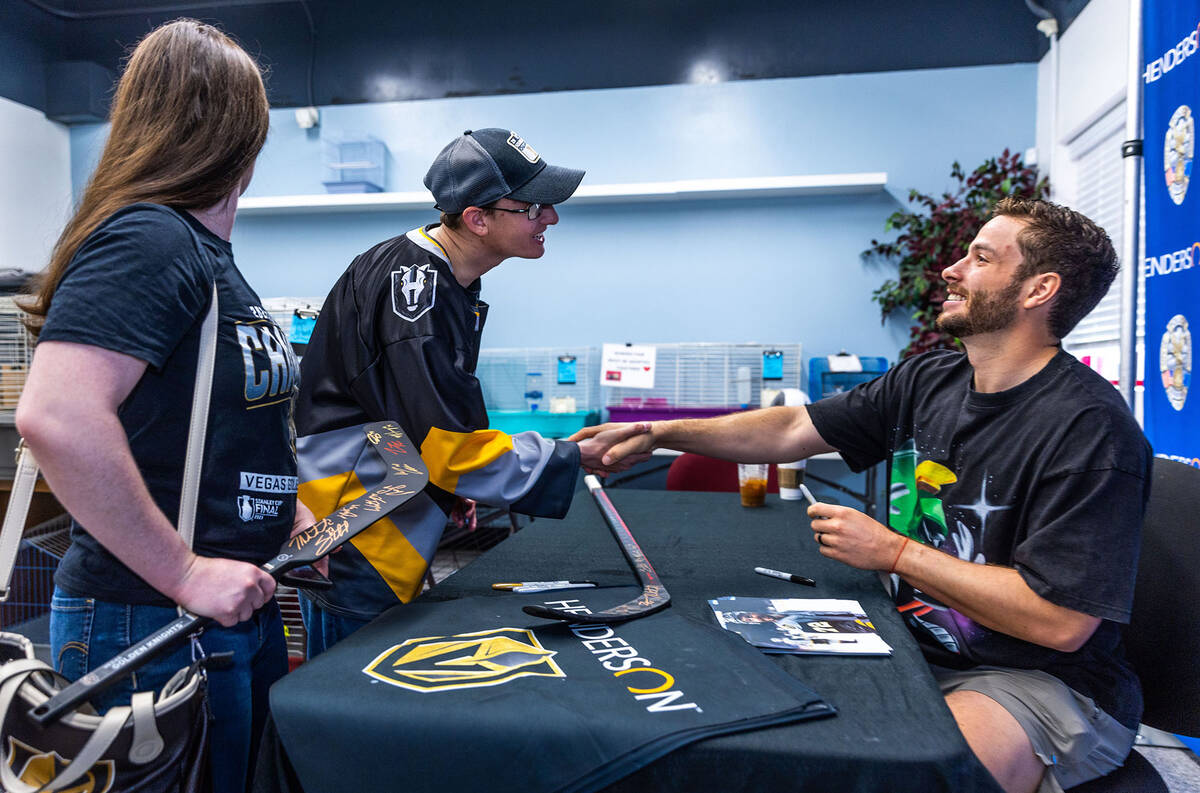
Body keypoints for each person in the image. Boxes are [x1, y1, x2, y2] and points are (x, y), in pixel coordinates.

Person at [577, 197, 1152, 793]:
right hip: (907, 641)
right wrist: (657, 432)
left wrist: (896, 554)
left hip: (1035, 680)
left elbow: (1060, 622)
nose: (951, 269)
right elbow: (793, 429)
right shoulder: (928, 379)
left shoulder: (1090, 430)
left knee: (917, 778)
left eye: (979, 257)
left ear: (1039, 290)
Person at [15, 19, 306, 793]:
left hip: (219, 611)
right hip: (150, 618)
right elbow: (58, 415)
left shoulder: (205, 255)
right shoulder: (152, 239)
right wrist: (182, 568)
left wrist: (282, 509)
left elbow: (204, 422)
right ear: (245, 131)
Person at [293, 129, 644, 656]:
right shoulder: (417, 291)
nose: (550, 218)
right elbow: (442, 441)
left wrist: (454, 488)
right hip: (356, 528)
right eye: (535, 207)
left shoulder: (436, 277)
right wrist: (574, 458)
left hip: (382, 509)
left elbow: (421, 416)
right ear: (478, 219)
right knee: (349, 689)